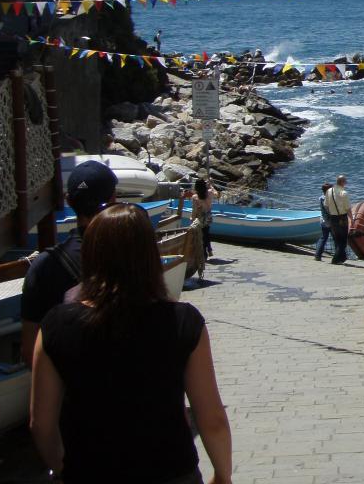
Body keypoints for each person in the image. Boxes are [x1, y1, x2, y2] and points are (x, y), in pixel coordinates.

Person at [30, 204, 232, 484]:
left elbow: (41, 424)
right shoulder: (183, 321)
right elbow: (212, 418)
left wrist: (62, 468)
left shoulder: (55, 325)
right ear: (150, 255)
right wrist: (222, 475)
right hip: (171, 471)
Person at [21, 160, 118, 366]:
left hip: (68, 380)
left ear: (68, 201)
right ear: (113, 199)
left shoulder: (43, 266)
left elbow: (30, 352)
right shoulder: (131, 254)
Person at [324, 175, 351, 265]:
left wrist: (331, 213)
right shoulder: (344, 193)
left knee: (337, 239)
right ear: (342, 182)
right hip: (342, 218)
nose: (346, 183)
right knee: (343, 241)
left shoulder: (329, 191)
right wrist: (352, 218)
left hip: (333, 217)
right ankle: (335, 259)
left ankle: (342, 258)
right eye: (345, 181)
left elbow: (326, 205)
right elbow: (348, 208)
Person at [192, 178, 219, 260]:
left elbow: (194, 210)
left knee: (202, 235)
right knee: (206, 233)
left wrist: (192, 218)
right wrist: (211, 186)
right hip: (208, 216)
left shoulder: (195, 197)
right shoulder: (209, 193)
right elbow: (217, 194)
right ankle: (209, 250)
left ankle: (205, 252)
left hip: (200, 216)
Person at [314, 182, 333, 261]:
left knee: (323, 238)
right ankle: (338, 256)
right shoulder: (327, 199)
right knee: (336, 238)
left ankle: (317, 255)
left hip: (323, 220)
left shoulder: (321, 198)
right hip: (330, 221)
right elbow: (330, 211)